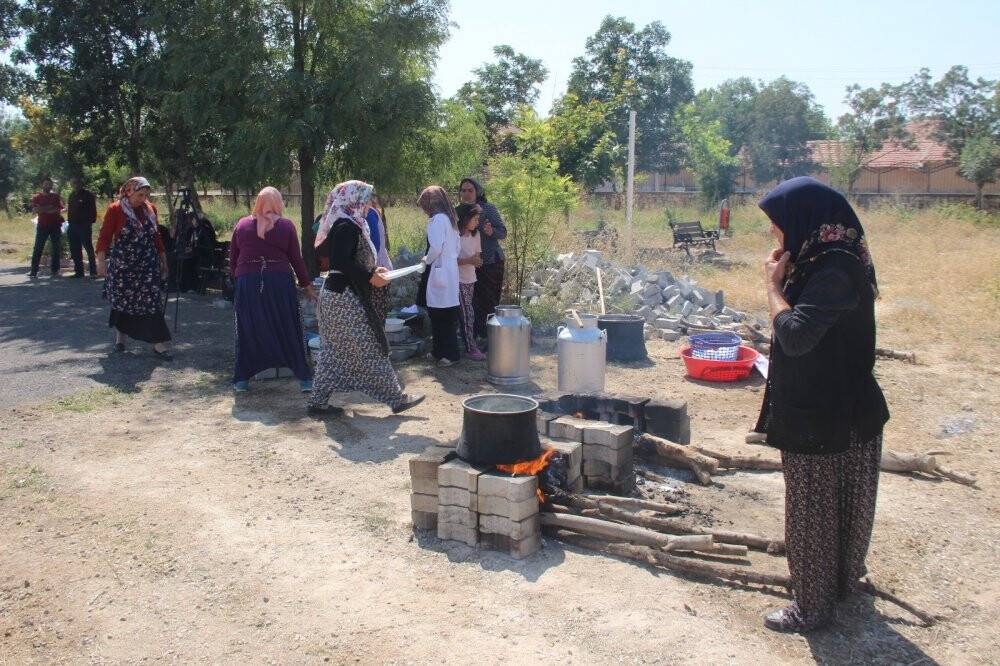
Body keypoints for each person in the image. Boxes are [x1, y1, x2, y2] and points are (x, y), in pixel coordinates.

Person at [755, 176, 890, 633]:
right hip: (849, 406)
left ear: (805, 220)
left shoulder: (832, 270)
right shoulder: (827, 260)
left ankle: (811, 607)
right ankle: (839, 586)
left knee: (813, 513)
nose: (775, 232)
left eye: (777, 223)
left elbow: (794, 336)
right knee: (847, 506)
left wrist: (772, 287)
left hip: (822, 413)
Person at [307, 180, 424, 417]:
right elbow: (341, 262)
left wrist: (375, 272)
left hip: (337, 297)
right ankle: (396, 398)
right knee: (369, 347)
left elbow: (350, 262)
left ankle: (317, 403)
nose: (370, 203)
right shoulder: (346, 226)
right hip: (343, 299)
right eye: (367, 198)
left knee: (333, 352)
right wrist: (370, 276)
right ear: (354, 200)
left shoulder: (349, 224)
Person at [229, 186, 315, 393]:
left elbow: (233, 260)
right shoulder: (286, 226)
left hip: (248, 281)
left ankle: (241, 380)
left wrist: (240, 282)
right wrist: (307, 286)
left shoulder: (241, 225)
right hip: (278, 281)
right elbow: (296, 259)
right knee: (287, 325)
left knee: (249, 327)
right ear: (278, 204)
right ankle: (304, 379)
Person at [96, 177, 173, 360]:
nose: (143, 198)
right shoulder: (116, 209)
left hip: (147, 265)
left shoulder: (150, 209)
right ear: (129, 192)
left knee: (152, 302)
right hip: (124, 266)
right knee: (122, 301)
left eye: (146, 194)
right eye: (140, 194)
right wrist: (100, 261)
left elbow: (157, 238)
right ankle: (120, 339)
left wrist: (163, 260)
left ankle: (158, 344)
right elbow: (105, 236)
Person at [457, 177, 506, 346]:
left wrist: (491, 231)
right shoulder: (458, 211)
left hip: (491, 262)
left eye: (470, 190)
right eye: (463, 190)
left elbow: (503, 232)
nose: (466, 193)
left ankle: (490, 339)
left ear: (478, 192)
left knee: (489, 301)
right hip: (467, 264)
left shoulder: (487, 208)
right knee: (470, 303)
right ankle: (474, 337)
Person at [417, 186, 461, 367]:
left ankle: (447, 354)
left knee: (438, 314)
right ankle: (440, 352)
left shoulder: (437, 220)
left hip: (439, 270)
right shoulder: (451, 219)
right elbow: (457, 248)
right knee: (448, 313)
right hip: (450, 270)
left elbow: (435, 247)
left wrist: (426, 260)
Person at [455, 203, 485, 360]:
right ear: (466, 219)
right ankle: (470, 348)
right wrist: (469, 260)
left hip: (471, 279)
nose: (477, 222)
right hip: (458, 280)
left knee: (467, 313)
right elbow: (452, 261)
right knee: (468, 313)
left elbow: (477, 256)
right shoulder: (455, 236)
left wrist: (477, 261)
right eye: (475, 219)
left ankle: (468, 342)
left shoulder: (476, 235)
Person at [365, 193, 393, 326]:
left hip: (377, 270)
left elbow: (374, 245)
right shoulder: (371, 212)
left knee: (374, 318)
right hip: (379, 269)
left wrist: (368, 270)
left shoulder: (369, 213)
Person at [29, 177, 65, 278]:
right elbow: (35, 210)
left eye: (49, 184)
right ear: (42, 185)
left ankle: (55, 270)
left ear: (51, 185)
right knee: (38, 248)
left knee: (56, 248)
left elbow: (57, 210)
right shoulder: (36, 197)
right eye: (46, 184)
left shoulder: (55, 196)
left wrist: (42, 209)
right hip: (42, 225)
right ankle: (34, 271)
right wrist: (49, 207)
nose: (47, 186)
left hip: (55, 225)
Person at [66, 177, 98, 278]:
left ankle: (93, 271)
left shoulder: (88, 195)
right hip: (73, 225)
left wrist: (90, 222)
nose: (75, 185)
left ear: (81, 183)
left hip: (84, 225)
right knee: (75, 248)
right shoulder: (71, 195)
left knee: (88, 248)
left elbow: (93, 210)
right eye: (73, 183)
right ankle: (79, 272)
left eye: (77, 182)